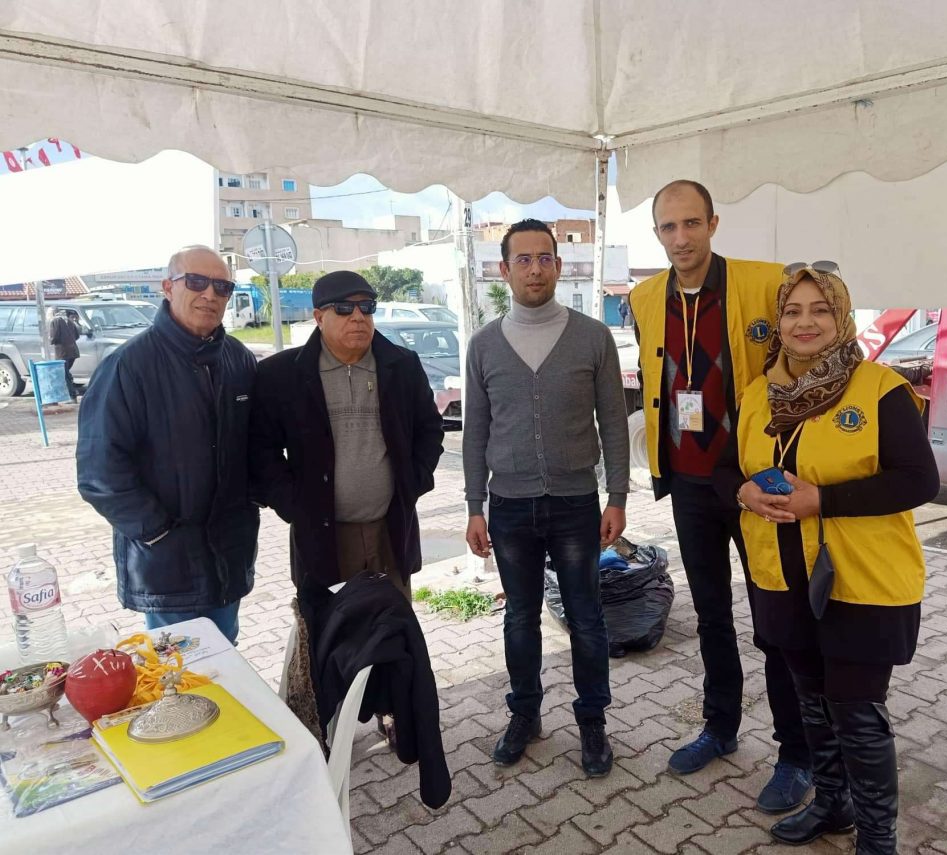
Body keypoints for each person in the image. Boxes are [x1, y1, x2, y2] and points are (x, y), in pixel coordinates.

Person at [718, 263, 938, 853]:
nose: (805, 322)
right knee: (812, 703)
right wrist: (743, 492)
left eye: (820, 309)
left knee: (856, 713)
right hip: (782, 577)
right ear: (779, 322)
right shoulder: (759, 393)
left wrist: (824, 501)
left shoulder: (879, 388)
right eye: (792, 311)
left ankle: (877, 839)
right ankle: (832, 804)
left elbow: (919, 480)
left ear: (841, 317)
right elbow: (724, 469)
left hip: (861, 581)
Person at [628, 179, 811, 812]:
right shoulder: (644, 296)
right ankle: (720, 726)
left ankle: (796, 752)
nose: (680, 238)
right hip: (689, 483)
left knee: (775, 619)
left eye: (691, 223)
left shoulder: (765, 283)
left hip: (754, 484)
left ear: (712, 223)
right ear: (657, 234)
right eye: (668, 227)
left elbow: (809, 356)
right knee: (711, 615)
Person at [464, 218, 629, 778]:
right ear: (504, 269)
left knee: (586, 618)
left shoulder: (593, 337)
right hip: (508, 507)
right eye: (523, 259)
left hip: (576, 502)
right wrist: (473, 507)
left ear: (558, 266)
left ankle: (593, 721)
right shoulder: (484, 345)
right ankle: (525, 714)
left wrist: (617, 496)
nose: (534, 269)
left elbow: (613, 422)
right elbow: (475, 432)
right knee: (520, 618)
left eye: (544, 259)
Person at [77, 245, 259, 644]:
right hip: (168, 563)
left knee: (225, 659)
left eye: (222, 287)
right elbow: (99, 472)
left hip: (228, 556)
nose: (209, 294)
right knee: (179, 669)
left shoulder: (239, 359)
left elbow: (255, 446)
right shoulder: (128, 365)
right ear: (167, 287)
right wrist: (157, 533)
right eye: (196, 281)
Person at [249, 270, 444, 600]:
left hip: (390, 530)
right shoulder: (282, 375)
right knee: (330, 626)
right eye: (343, 308)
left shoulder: (402, 366)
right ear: (318, 317)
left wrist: (414, 482)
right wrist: (295, 506)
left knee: (392, 625)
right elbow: (261, 449)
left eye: (367, 307)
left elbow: (429, 429)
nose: (357, 317)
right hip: (323, 537)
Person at [49, 306, 81, 401]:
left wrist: (49, 340)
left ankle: (72, 395)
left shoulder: (55, 321)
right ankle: (71, 393)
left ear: (52, 313)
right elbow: (77, 335)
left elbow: (54, 337)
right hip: (73, 351)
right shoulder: (68, 320)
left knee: (64, 374)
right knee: (66, 373)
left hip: (62, 352)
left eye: (48, 314)